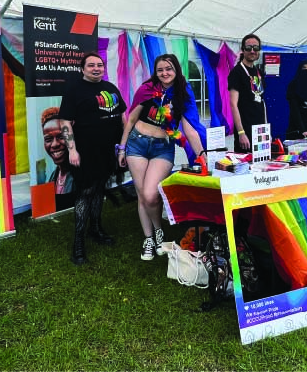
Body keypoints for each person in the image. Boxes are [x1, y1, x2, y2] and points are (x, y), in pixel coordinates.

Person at [118, 54, 205, 261]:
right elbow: (131, 119)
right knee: (142, 195)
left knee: (151, 194)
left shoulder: (183, 93)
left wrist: (201, 154)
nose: (165, 73)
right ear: (155, 72)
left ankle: (158, 230)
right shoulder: (147, 89)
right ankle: (149, 238)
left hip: (162, 148)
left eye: (169, 69)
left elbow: (190, 127)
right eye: (160, 70)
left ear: (176, 69)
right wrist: (122, 148)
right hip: (137, 143)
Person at [59, 52, 126, 265]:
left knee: (99, 189)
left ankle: (95, 229)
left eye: (99, 65)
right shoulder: (74, 89)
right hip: (85, 151)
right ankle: (78, 243)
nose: (96, 68)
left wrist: (123, 147)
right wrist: (72, 150)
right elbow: (65, 122)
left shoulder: (111, 88)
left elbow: (123, 117)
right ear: (83, 69)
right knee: (85, 192)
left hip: (108, 151)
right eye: (91, 65)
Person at [228, 33, 267, 153]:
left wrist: (266, 129)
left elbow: (261, 101)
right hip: (245, 131)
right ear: (243, 50)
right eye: (249, 48)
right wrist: (241, 133)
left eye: (255, 48)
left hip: (260, 130)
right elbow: (233, 104)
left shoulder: (259, 72)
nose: (252, 51)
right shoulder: (237, 72)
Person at [41, 107, 74, 195]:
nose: (54, 144)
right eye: (48, 139)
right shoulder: (53, 176)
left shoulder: (85, 176)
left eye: (61, 137)